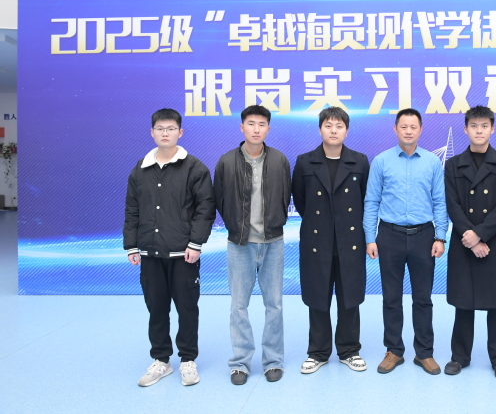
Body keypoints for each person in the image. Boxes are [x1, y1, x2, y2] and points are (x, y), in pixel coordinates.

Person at [124, 108, 215, 387]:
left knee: (187, 308)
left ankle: (188, 360)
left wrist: (195, 243)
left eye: (171, 128)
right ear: (152, 132)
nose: (165, 133)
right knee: (156, 309)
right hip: (150, 253)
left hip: (183, 254)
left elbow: (205, 208)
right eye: (160, 129)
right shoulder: (140, 169)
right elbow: (132, 209)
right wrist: (132, 245)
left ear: (180, 132)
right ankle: (161, 360)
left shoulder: (195, 168)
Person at [363, 108, 448, 375]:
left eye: (413, 127)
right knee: (391, 298)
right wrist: (370, 238)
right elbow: (371, 201)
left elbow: (440, 201)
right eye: (403, 126)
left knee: (423, 298)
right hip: (389, 236)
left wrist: (441, 236)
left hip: (424, 236)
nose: (408, 131)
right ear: (395, 129)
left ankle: (424, 353)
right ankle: (394, 351)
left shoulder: (432, 162)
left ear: (420, 130)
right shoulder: (381, 161)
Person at [214, 106, 291, 385]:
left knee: (275, 305)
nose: (256, 129)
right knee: (239, 305)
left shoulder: (280, 160)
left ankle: (273, 361)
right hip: (240, 243)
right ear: (241, 127)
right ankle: (240, 363)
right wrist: (236, 226)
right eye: (251, 123)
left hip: (273, 242)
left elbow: (286, 196)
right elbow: (218, 198)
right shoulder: (226, 161)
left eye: (261, 124)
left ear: (268, 129)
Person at [292, 107, 370, 374]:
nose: (333, 130)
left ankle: (349, 350)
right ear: (320, 129)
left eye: (339, 126)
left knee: (350, 299)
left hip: (350, 241)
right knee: (318, 299)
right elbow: (301, 200)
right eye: (328, 125)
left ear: (346, 131)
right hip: (317, 241)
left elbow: (365, 200)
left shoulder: (360, 161)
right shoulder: (305, 162)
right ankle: (318, 352)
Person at [443, 106, 496, 380]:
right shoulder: (453, 165)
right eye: (473, 126)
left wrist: (481, 234)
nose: (479, 130)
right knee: (464, 303)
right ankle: (459, 357)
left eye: (484, 126)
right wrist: (471, 238)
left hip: (495, 242)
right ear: (465, 129)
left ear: (492, 129)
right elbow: (452, 204)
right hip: (464, 242)